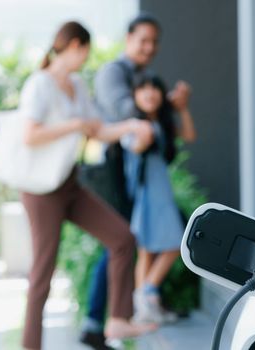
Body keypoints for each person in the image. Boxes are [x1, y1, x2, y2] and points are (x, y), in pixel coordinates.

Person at [18, 21, 155, 350]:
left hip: (69, 185)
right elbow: (30, 135)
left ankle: (119, 319)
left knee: (123, 238)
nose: (86, 59)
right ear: (75, 46)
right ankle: (29, 345)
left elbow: (98, 130)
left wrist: (132, 126)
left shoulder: (77, 85)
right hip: (41, 192)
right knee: (43, 273)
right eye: (86, 51)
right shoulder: (39, 84)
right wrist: (74, 124)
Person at [80, 13, 196, 349]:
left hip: (133, 171)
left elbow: (169, 127)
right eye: (142, 40)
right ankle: (104, 318)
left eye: (154, 42)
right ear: (128, 39)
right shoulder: (114, 72)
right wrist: (158, 107)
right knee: (119, 241)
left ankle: (123, 312)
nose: (149, 47)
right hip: (116, 170)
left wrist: (169, 108)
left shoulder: (145, 76)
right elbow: (122, 113)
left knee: (126, 242)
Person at [126, 74, 196, 323]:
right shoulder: (134, 124)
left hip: (158, 191)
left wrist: (181, 108)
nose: (149, 94)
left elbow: (189, 135)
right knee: (160, 246)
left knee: (153, 248)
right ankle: (147, 296)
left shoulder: (161, 123)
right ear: (134, 96)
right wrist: (142, 132)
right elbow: (135, 145)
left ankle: (144, 302)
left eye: (154, 89)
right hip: (146, 192)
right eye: (143, 89)